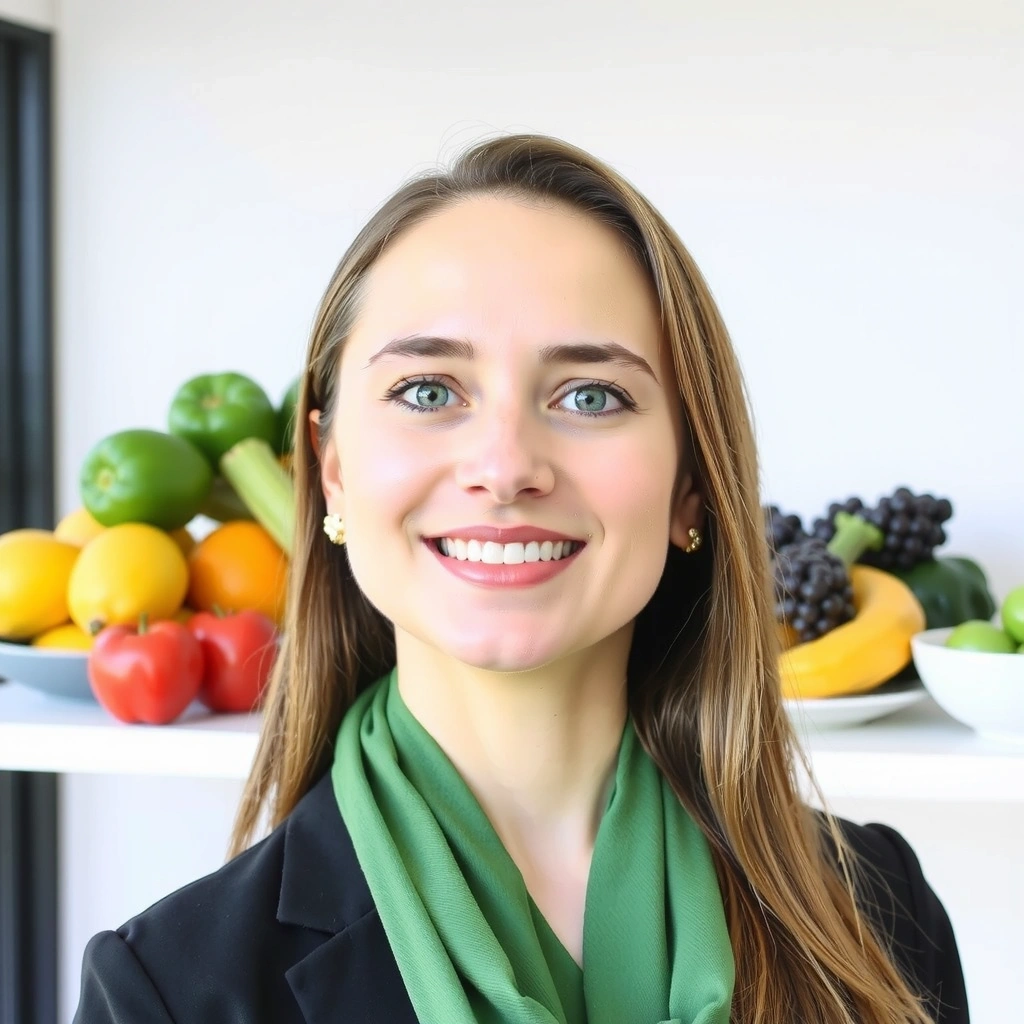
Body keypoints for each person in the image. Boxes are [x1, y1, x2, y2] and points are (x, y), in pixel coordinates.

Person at [73, 133, 969, 1024]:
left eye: (590, 395)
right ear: (333, 469)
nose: (505, 467)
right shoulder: (168, 990)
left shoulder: (881, 913)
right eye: (430, 391)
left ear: (689, 486)